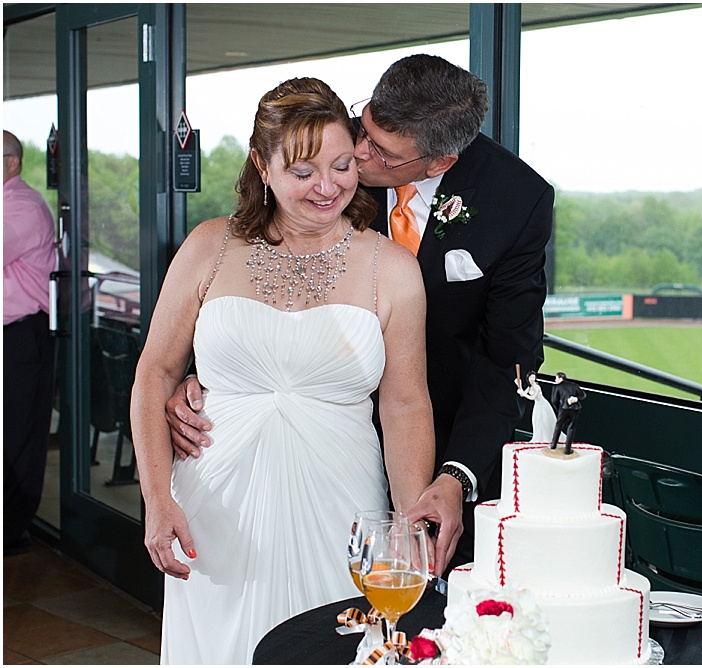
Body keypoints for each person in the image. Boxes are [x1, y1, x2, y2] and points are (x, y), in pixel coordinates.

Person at [166, 54, 554, 573]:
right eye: (363, 127)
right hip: (272, 443)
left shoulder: (517, 201)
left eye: (381, 153)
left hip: (431, 437)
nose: (357, 155)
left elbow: (507, 359)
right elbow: (258, 261)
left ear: (438, 162)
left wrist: (455, 477)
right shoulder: (335, 152)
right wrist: (213, 374)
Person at [129, 77, 436, 664]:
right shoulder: (207, 246)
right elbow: (154, 376)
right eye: (303, 172)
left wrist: (406, 532)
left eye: (343, 165)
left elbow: (404, 406)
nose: (328, 187)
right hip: (213, 508)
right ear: (261, 168)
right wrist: (157, 500)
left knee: (332, 644)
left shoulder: (392, 270)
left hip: (341, 507)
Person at [4, 130, 57, 555]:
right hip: (13, 332)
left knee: (18, 432)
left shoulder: (20, 207)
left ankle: (12, 532)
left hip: (21, 334)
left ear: (11, 163)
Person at [515, 370, 558, 443]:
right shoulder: (529, 387)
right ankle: (539, 436)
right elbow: (522, 394)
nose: (532, 379)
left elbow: (532, 398)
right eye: (530, 377)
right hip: (537, 405)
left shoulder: (537, 387)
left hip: (543, 405)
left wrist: (523, 393)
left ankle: (547, 438)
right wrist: (519, 386)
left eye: (533, 377)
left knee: (545, 421)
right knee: (536, 421)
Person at [549, 372, 586, 455]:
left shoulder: (557, 386)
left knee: (558, 426)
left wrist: (559, 408)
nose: (555, 380)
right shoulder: (574, 385)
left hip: (563, 409)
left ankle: (553, 445)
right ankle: (567, 449)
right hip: (575, 409)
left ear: (560, 378)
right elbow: (583, 395)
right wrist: (576, 399)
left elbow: (554, 400)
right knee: (571, 428)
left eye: (556, 378)